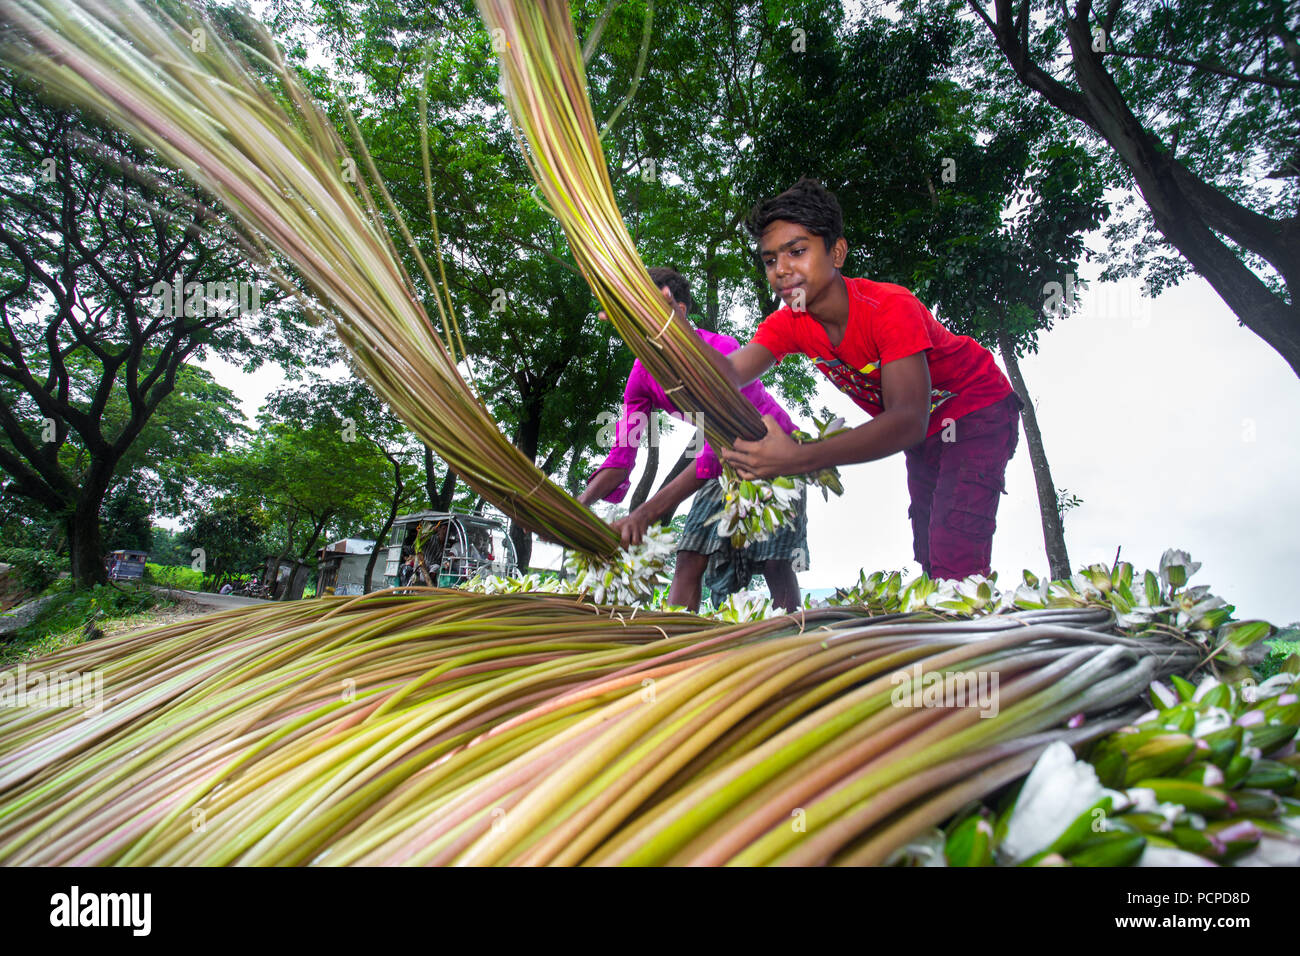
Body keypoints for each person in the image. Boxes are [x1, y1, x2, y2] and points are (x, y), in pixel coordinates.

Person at [694, 179, 1021, 582]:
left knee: (956, 551)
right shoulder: (790, 323)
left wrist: (800, 457)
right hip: (927, 432)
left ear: (837, 252)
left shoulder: (889, 308)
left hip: (977, 408)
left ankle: (984, 632)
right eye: (769, 260)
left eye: (797, 252)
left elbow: (906, 420)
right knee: (930, 551)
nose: (781, 271)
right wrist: (664, 328)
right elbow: (726, 373)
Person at [578, 266, 807, 612]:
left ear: (679, 312)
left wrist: (644, 514)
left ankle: (792, 643)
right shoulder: (642, 376)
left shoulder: (723, 351)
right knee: (690, 555)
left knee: (776, 561)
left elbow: (715, 451)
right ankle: (677, 643)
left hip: (775, 454)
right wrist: (576, 506)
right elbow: (622, 456)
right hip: (720, 465)